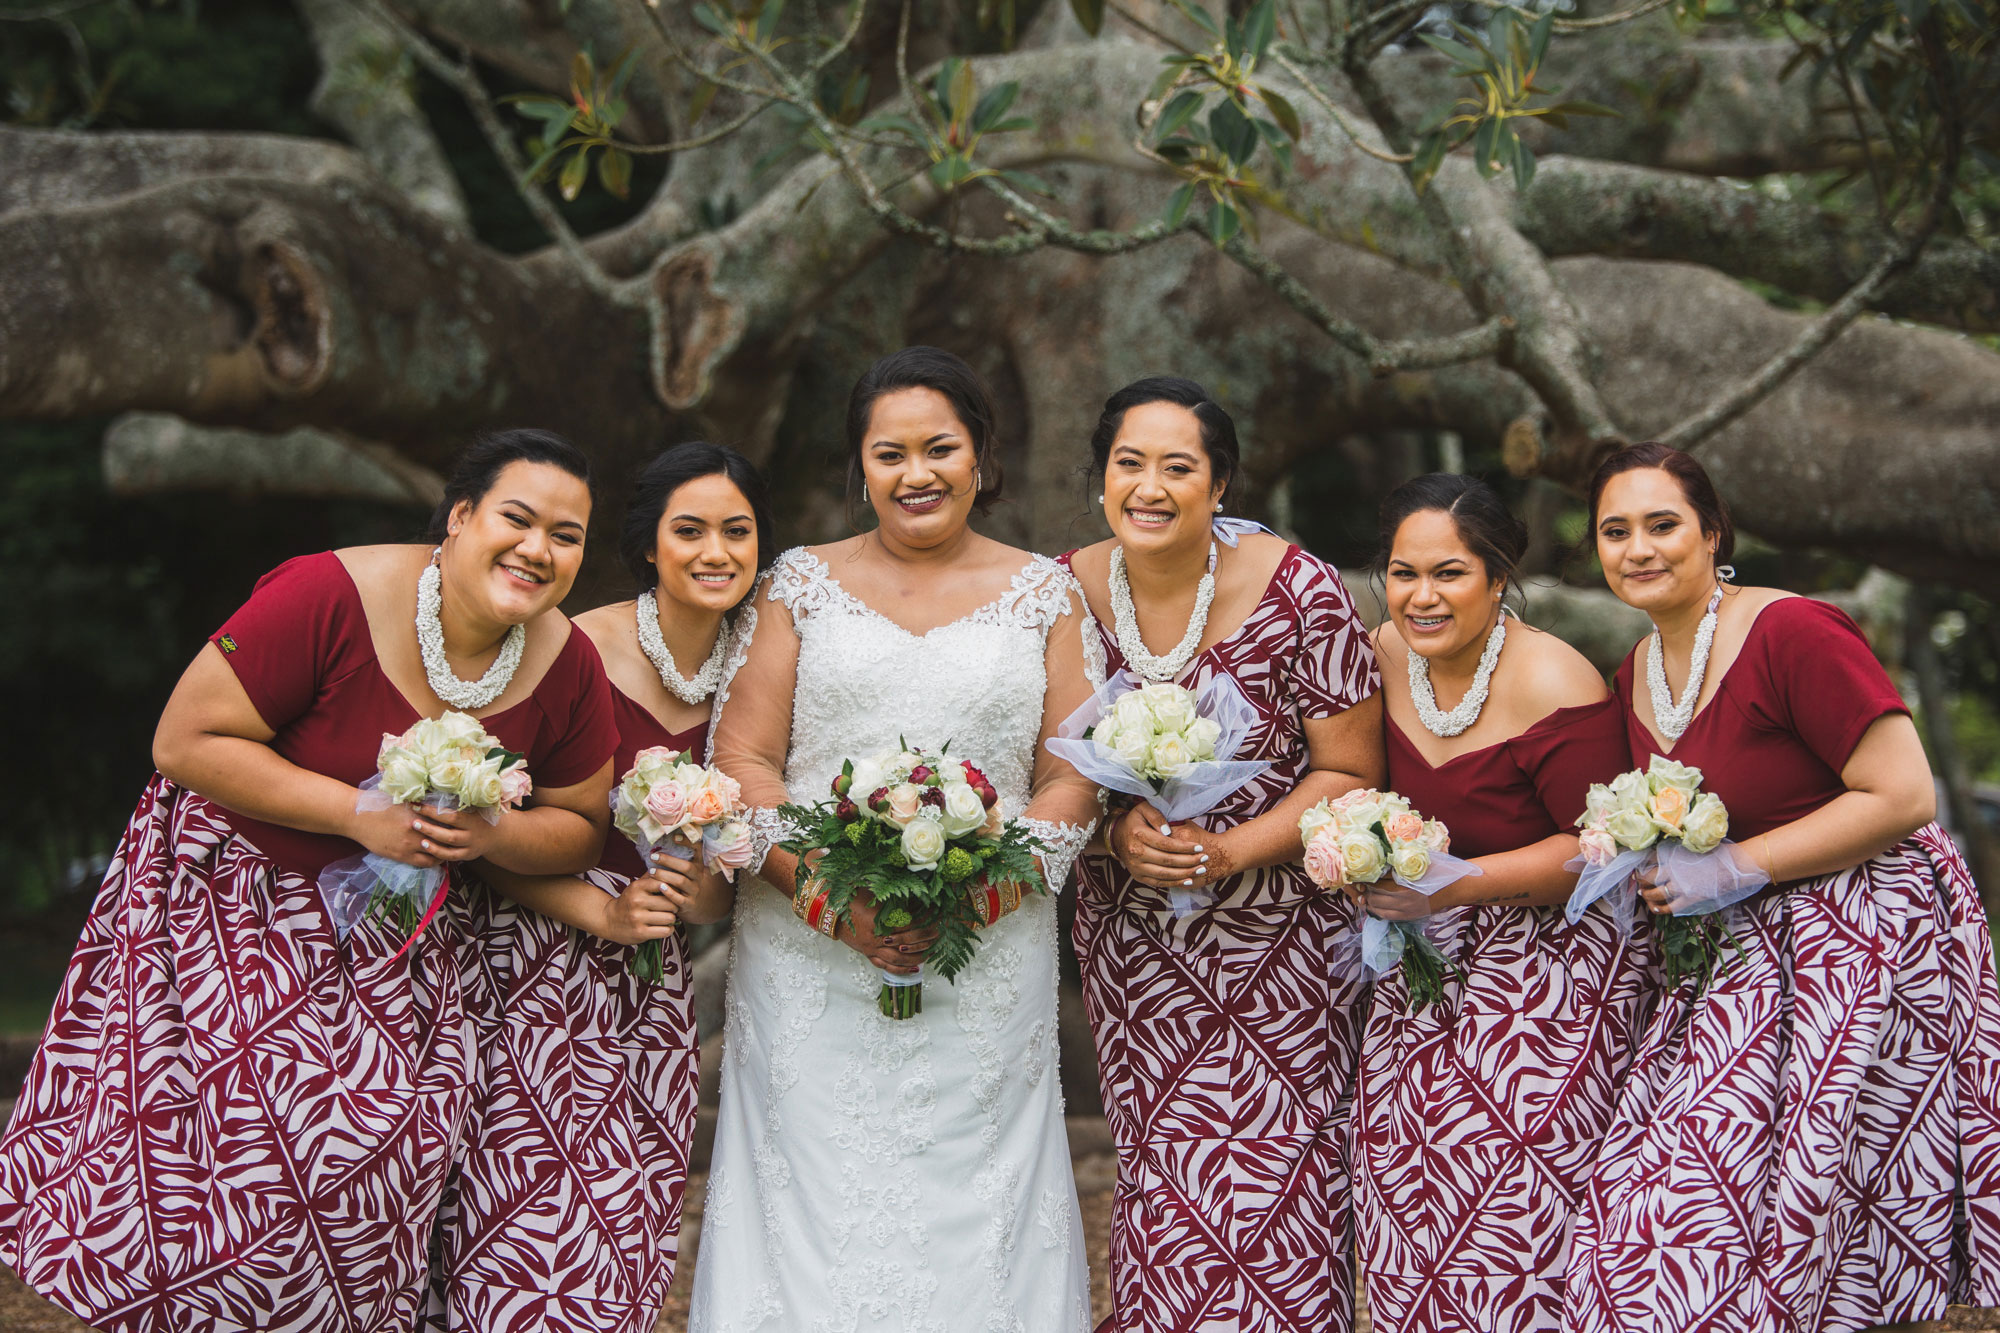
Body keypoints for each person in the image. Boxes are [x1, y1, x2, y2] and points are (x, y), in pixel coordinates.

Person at [0, 429, 616, 1333]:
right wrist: (351, 812)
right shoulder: (326, 594)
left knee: (385, 1165)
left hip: (403, 947)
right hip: (234, 908)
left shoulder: (566, 663)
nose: (539, 549)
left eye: (567, 537)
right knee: (250, 1169)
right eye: (517, 519)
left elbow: (577, 828)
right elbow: (184, 741)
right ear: (459, 517)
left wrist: (491, 830)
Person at [690, 346, 1103, 1331]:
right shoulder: (797, 582)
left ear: (980, 456)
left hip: (985, 947)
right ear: (860, 466)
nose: (915, 473)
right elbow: (742, 756)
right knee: (812, 1197)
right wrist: (831, 898)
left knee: (976, 1198)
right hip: (804, 945)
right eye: (888, 453)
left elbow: (1072, 771)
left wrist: (982, 890)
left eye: (938, 448)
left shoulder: (1045, 593)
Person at [1564, 441, 2000, 1331]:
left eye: (1662, 525)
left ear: (1713, 531)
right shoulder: (1633, 675)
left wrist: (1729, 865)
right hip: (1742, 956)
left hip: (1872, 936)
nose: (1638, 548)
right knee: (1659, 1207)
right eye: (1616, 531)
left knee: (1824, 1218)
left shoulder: (1794, 629)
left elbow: (1905, 793)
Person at [424, 442, 772, 1331]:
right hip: (520, 964)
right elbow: (479, 834)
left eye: (737, 531)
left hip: (647, 992)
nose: (715, 551)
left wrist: (687, 896)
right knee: (508, 1224)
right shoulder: (566, 646)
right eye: (688, 530)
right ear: (648, 544)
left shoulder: (771, 674)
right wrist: (602, 908)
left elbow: (721, 889)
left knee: (614, 1228)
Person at [1060, 376, 1383, 1333]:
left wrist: (1229, 850)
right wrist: (1117, 832)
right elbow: (1038, 758)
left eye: (1177, 466)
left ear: (1221, 483)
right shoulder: (1059, 591)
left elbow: (1351, 770)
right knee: (1164, 1175)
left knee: (1280, 1181)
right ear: (1101, 477)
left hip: (1281, 943)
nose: (1149, 486)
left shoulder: (1300, 589)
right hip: (1134, 947)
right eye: (1128, 464)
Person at [1352, 473, 1655, 1333]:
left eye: (1448, 573)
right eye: (1403, 573)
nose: (1422, 596)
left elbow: (1599, 850)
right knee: (1409, 1185)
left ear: (1496, 574)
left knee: (1510, 1195)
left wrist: (1458, 884)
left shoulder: (1554, 677)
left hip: (1549, 969)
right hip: (1419, 963)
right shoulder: (1381, 653)